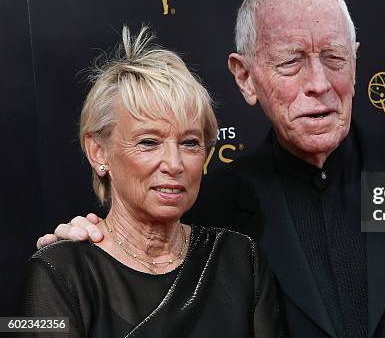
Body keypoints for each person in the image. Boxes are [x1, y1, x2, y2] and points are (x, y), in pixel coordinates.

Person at [38, 0, 385, 337]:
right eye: (291, 62)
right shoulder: (213, 211)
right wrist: (77, 255)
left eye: (335, 58)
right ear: (246, 77)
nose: (319, 84)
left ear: (356, 61)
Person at [23, 26, 284, 337]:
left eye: (189, 143)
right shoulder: (61, 273)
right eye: (149, 142)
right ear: (98, 151)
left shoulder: (242, 261)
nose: (174, 164)